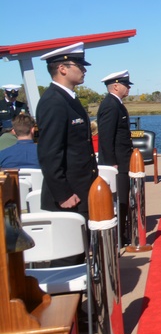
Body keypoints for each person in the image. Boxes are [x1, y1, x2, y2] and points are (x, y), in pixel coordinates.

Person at [35, 42, 99, 221]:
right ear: (62, 68)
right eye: (79, 66)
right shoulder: (53, 101)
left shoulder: (69, 98)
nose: (84, 70)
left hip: (82, 189)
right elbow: (49, 153)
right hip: (69, 196)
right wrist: (63, 194)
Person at [96, 70, 134, 240]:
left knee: (124, 198)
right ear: (116, 86)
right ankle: (119, 235)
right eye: (126, 85)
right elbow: (106, 136)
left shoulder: (116, 104)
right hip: (117, 162)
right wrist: (111, 163)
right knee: (120, 200)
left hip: (122, 159)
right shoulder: (110, 105)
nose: (129, 88)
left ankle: (122, 232)